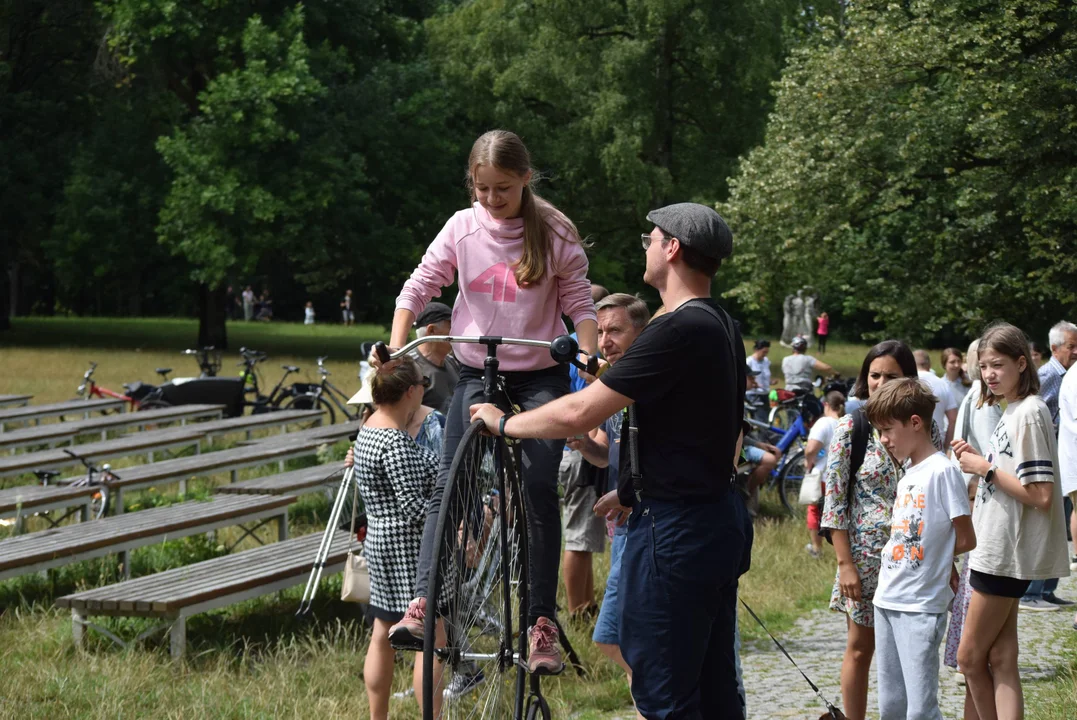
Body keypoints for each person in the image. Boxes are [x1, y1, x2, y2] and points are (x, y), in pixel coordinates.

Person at [470, 202, 751, 718]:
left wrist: (504, 422)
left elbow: (580, 410)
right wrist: (636, 484)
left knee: (666, 692)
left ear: (673, 249)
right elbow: (715, 432)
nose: (643, 243)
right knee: (713, 689)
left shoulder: (678, 329)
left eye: (651, 237)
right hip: (712, 518)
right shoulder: (721, 324)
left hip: (676, 533)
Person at [382, 130, 598, 676]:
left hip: (538, 376)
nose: (490, 199)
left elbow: (579, 303)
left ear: (526, 178)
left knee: (538, 488)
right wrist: (396, 342)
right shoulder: (461, 226)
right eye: (481, 189)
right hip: (478, 370)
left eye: (502, 188)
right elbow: (419, 284)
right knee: (449, 484)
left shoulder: (553, 230)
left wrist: (591, 357)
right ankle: (427, 600)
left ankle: (541, 623)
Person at [952, 322, 1070, 720]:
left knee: (969, 658)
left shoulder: (1030, 413)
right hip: (996, 547)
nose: (989, 374)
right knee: (1001, 657)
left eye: (998, 365)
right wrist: (980, 463)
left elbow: (1040, 494)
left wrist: (983, 468)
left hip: (1005, 553)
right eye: (984, 366)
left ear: (1022, 363)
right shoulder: (1014, 410)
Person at [821, 340, 942, 720]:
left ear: (909, 379)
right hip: (865, 561)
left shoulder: (926, 427)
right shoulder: (851, 427)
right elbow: (834, 504)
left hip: (914, 560)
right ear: (864, 379)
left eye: (891, 375)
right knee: (861, 646)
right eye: (875, 375)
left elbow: (935, 491)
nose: (881, 382)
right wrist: (845, 565)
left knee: (912, 649)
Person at [867, 378, 976, 720]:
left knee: (920, 709)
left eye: (887, 430)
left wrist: (942, 562)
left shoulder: (943, 471)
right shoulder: (908, 474)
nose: (883, 440)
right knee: (892, 706)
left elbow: (966, 537)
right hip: (886, 598)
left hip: (920, 605)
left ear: (916, 423)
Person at [563, 292, 649, 717]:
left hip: (646, 524)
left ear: (641, 332)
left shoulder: (645, 383)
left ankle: (659, 697)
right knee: (615, 638)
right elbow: (605, 451)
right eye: (599, 332)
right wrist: (584, 446)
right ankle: (652, 698)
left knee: (621, 637)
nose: (605, 340)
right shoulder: (610, 382)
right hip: (623, 529)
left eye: (615, 330)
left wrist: (634, 495)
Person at [349, 357, 444, 719]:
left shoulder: (369, 428)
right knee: (431, 639)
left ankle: (378, 715)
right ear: (410, 391)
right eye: (422, 385)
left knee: (382, 631)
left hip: (379, 541)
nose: (424, 391)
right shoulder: (395, 441)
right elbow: (414, 508)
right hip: (409, 549)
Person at [944, 339, 1001, 685]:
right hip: (978, 494)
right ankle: (970, 657)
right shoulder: (986, 400)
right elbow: (987, 454)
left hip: (969, 491)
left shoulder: (974, 395)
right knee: (974, 583)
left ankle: (968, 654)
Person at [559, 282, 612, 618]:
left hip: (570, 445)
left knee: (585, 532)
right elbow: (589, 402)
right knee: (579, 535)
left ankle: (587, 602)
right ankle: (578, 608)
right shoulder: (592, 351)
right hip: (581, 446)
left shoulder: (561, 346)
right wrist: (590, 437)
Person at [1019, 320, 1077, 610]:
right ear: (1055, 349)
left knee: (1059, 525)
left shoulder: (1067, 374)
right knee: (1045, 522)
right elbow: (1031, 413)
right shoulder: (1047, 374)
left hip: (1060, 457)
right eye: (1071, 346)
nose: (1076, 351)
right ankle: (1031, 593)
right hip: (1046, 459)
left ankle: (1047, 589)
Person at [804, 391, 845, 558]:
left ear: (826, 405)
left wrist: (809, 462)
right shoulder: (847, 422)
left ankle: (816, 548)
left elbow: (811, 448)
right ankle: (842, 552)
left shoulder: (824, 423)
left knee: (814, 510)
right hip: (842, 477)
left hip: (823, 476)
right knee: (837, 515)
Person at [407, 302, 461, 416]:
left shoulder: (452, 362)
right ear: (431, 330)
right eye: (451, 327)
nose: (459, 333)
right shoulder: (408, 366)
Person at [914, 349, 959, 450]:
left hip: (911, 445)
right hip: (936, 445)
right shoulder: (942, 384)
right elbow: (953, 419)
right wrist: (947, 447)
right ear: (929, 365)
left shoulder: (906, 383)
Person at [746, 340, 773, 423]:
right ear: (757, 350)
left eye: (767, 352)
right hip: (753, 394)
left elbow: (766, 375)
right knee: (761, 419)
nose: (765, 354)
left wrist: (770, 382)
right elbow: (747, 376)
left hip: (764, 393)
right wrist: (754, 384)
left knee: (766, 418)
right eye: (763, 352)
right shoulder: (749, 361)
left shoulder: (766, 361)